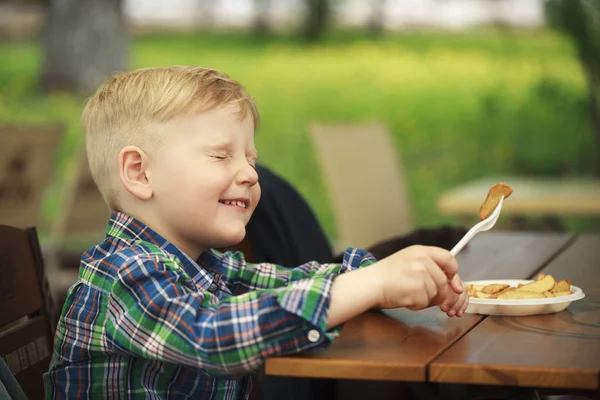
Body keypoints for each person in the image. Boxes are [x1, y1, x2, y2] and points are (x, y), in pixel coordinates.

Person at [43, 65, 469, 399]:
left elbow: (290, 279)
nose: (249, 173)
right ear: (139, 172)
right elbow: (211, 335)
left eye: (250, 157)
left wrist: (386, 277)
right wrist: (369, 285)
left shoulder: (206, 266)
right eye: (220, 155)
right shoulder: (121, 275)